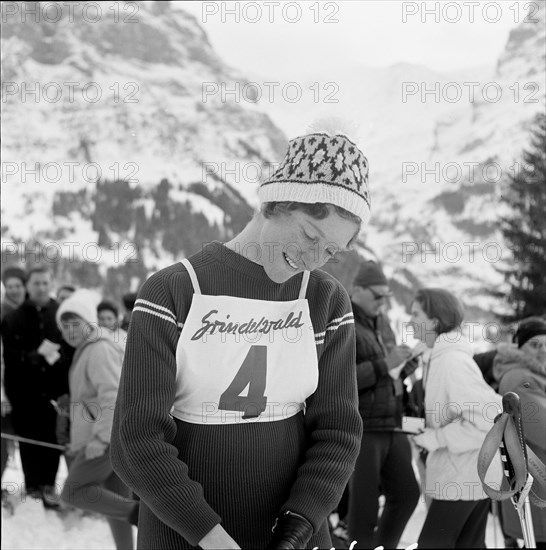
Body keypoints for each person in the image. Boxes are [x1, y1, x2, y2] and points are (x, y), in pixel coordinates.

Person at [111, 131, 369, 549]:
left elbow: (338, 430)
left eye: (331, 251)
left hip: (293, 537)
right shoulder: (174, 291)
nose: (313, 258)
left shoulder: (325, 300)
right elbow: (135, 438)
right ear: (274, 205)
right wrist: (209, 537)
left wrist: (300, 523)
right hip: (185, 535)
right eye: (308, 235)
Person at [409, 288, 502, 549]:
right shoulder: (439, 358)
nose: (409, 321)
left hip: (463, 477)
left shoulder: (450, 362)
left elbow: (486, 420)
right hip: (467, 475)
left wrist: (434, 438)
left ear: (435, 321)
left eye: (416, 314)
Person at [346, 260, 421, 549]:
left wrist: (403, 366)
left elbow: (387, 367)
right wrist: (384, 364)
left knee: (407, 494)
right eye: (377, 296)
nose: (382, 302)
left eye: (386, 297)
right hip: (363, 427)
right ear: (357, 290)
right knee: (362, 508)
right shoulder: (345, 321)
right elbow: (341, 377)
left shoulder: (381, 323)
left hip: (391, 422)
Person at [56, 290, 138, 550]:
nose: (70, 331)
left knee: (73, 491)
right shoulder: (89, 348)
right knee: (116, 505)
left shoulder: (98, 348)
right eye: (64, 325)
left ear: (89, 321)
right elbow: (92, 397)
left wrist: (101, 438)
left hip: (107, 437)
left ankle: (147, 516)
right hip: (107, 435)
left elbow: (112, 394)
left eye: (75, 323)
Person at [1, 266, 73, 507]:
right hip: (25, 394)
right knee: (29, 444)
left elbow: (72, 352)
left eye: (45, 283)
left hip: (56, 394)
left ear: (51, 283)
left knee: (52, 443)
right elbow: (9, 358)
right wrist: (34, 355)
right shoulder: (13, 318)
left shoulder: (62, 314)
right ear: (27, 286)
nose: (41, 288)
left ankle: (49, 488)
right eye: (36, 283)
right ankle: (32, 489)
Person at [492, 316, 546, 548]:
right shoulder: (519, 378)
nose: (543, 350)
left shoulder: (535, 375)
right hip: (537, 487)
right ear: (519, 347)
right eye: (535, 344)